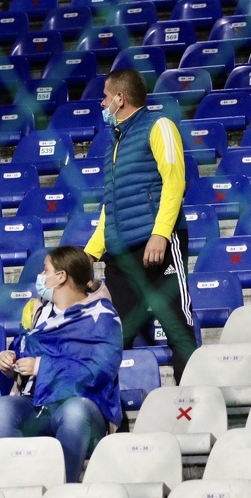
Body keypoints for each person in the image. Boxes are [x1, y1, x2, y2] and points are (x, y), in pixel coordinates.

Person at [84, 68, 197, 383]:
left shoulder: (158, 126)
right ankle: (113, 421)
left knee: (177, 326)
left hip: (156, 246)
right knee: (117, 337)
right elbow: (112, 205)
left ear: (120, 98)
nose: (102, 104)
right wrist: (90, 254)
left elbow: (174, 182)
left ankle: (188, 408)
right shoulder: (113, 143)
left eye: (105, 98)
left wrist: (160, 234)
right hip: (120, 256)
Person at [0, 246, 123, 483]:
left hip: (83, 404)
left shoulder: (102, 316)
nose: (41, 276)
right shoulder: (39, 313)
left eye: (45, 270)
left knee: (74, 410)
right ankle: (14, 487)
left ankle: (62, 488)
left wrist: (42, 367)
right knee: (2, 408)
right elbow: (22, 351)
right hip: (37, 403)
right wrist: (10, 364)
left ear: (61, 277)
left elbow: (99, 372)